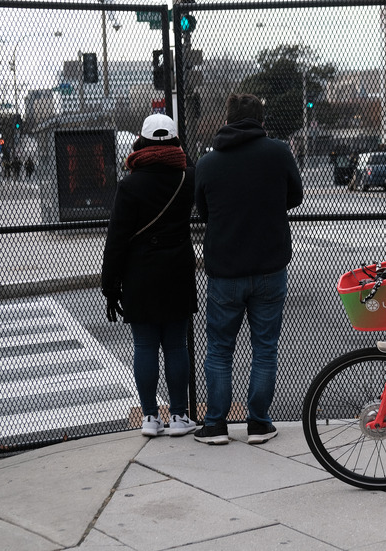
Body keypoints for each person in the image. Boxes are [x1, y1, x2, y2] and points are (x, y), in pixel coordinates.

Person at [193, 93, 304, 445]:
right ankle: (258, 423)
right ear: (261, 120)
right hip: (270, 265)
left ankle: (215, 425)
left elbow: (203, 210)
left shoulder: (208, 162)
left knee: (219, 349)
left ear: (227, 120)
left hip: (225, 269)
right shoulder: (278, 153)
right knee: (265, 348)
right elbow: (295, 196)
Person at [101, 113, 200, 438]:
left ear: (141, 142)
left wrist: (110, 284)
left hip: (139, 274)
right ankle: (179, 416)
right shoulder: (187, 178)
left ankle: (149, 417)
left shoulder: (130, 184)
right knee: (176, 346)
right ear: (175, 141)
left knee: (144, 345)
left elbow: (117, 238)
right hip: (177, 271)